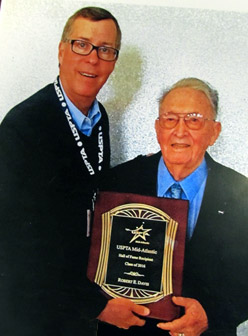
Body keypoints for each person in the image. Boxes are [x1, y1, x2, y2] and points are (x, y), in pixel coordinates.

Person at [0, 6, 149, 336]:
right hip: (32, 314)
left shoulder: (99, 119)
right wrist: (96, 306)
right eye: (82, 44)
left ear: (113, 62)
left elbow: (89, 193)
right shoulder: (23, 126)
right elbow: (19, 244)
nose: (93, 59)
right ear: (61, 50)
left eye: (106, 50)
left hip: (77, 310)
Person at [98, 77, 248, 336]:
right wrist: (99, 307)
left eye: (194, 119)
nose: (180, 131)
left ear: (214, 132)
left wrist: (211, 315)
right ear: (158, 128)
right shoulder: (117, 183)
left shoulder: (242, 194)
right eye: (170, 119)